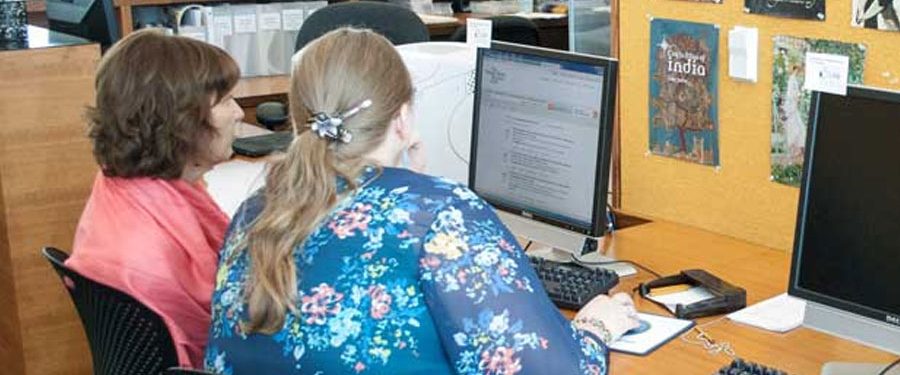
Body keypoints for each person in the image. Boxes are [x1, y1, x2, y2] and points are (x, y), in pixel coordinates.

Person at [205, 28, 639, 374]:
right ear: (404, 117)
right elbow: (545, 369)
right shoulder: (439, 215)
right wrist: (595, 328)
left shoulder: (256, 213)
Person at [66, 29, 244, 368]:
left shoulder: (121, 188)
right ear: (180, 119)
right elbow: (228, 334)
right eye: (225, 100)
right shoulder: (151, 256)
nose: (238, 113)